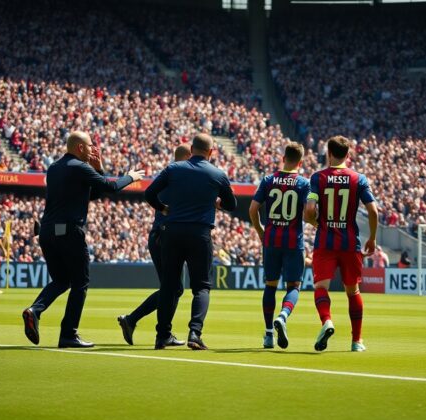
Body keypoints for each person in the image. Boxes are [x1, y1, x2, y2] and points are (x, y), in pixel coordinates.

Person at [21, 131, 144, 349]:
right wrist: (130, 177)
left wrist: (98, 168)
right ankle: (68, 334)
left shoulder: (55, 168)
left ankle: (34, 310)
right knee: (80, 283)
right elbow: (111, 187)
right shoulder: (79, 167)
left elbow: (93, 194)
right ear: (79, 147)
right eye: (90, 145)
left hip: (48, 231)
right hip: (69, 231)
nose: (93, 149)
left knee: (61, 280)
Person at [145, 133, 237, 350]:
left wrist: (162, 208)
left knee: (168, 285)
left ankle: (162, 336)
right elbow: (232, 205)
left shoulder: (173, 169)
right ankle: (194, 333)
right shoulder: (217, 174)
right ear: (211, 151)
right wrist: (217, 202)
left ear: (192, 148)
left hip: (172, 232)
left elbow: (150, 193)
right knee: (202, 287)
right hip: (200, 234)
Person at [303, 136, 378, 353]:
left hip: (325, 241)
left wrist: (316, 222)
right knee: (353, 291)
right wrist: (372, 238)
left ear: (328, 153)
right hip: (350, 243)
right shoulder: (358, 178)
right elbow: (373, 211)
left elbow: (309, 209)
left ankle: (327, 321)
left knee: (320, 287)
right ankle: (357, 341)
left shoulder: (318, 177)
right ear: (348, 155)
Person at [117, 145, 192, 346]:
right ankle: (136, 321)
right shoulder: (178, 175)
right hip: (165, 237)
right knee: (172, 288)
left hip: (161, 236)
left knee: (173, 288)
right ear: (188, 156)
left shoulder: (168, 174)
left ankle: (136, 322)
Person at [248, 142, 310, 349]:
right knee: (294, 286)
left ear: (283, 158)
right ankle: (283, 316)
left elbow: (253, 209)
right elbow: (309, 212)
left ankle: (267, 335)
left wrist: (260, 230)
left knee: (270, 285)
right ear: (300, 162)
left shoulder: (268, 180)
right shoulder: (303, 183)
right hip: (293, 241)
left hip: (271, 240)